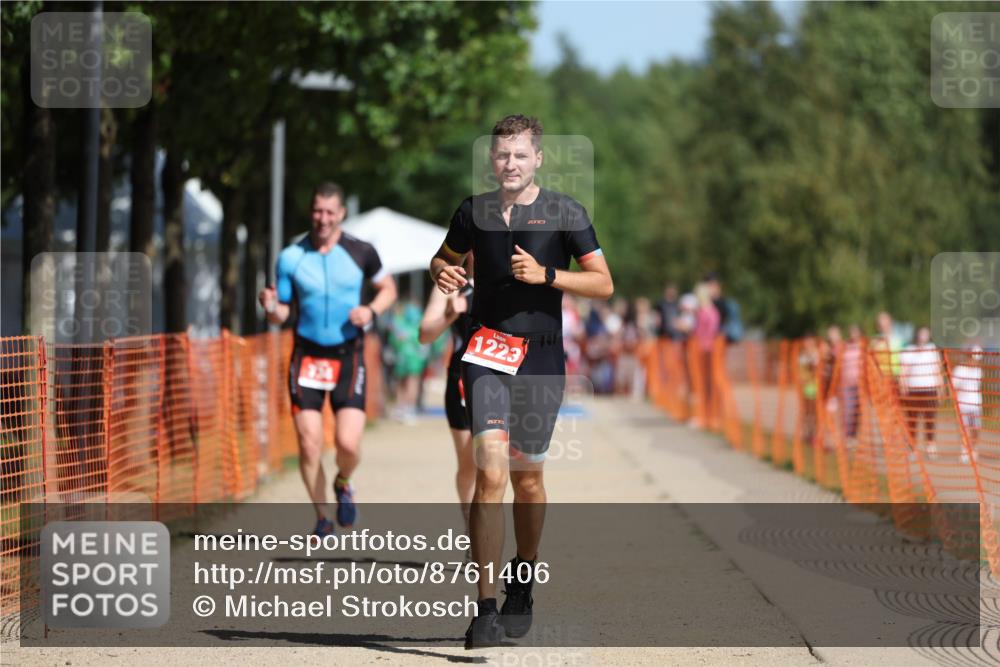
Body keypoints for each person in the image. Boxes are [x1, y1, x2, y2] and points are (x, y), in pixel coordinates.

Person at [430, 114, 613, 649]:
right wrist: (439, 270)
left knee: (526, 478)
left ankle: (523, 577)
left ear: (537, 159)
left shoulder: (564, 211)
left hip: (540, 361)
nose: (509, 163)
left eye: (519, 155)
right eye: (501, 155)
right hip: (485, 353)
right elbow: (442, 260)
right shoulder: (472, 212)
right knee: (489, 473)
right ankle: (484, 606)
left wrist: (549, 275)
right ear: (492, 159)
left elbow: (603, 282)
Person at [259, 182, 397, 537]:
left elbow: (388, 289)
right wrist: (271, 307)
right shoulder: (291, 256)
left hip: (348, 353)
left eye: (330, 212)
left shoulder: (361, 251)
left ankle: (343, 480)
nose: (323, 218)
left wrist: (370, 310)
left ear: (341, 214)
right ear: (311, 212)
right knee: (309, 441)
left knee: (348, 444)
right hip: (306, 354)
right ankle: (322, 517)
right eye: (317, 211)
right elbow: (282, 312)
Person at [419, 257, 476, 535]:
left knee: (493, 458)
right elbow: (424, 334)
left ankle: (488, 529)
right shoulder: (452, 283)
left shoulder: (509, 278)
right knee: (468, 462)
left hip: (503, 378)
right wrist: (450, 314)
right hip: (462, 379)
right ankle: (470, 527)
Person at [900, 325, 943, 457]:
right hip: (913, 390)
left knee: (930, 420)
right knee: (912, 420)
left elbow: (938, 370)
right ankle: (912, 447)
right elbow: (904, 371)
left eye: (926, 334)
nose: (923, 336)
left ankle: (930, 446)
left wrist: (941, 388)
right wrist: (903, 386)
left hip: (930, 389)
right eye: (921, 333)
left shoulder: (933, 350)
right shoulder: (909, 350)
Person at [952, 346, 984, 462]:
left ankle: (973, 448)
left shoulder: (978, 370)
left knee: (976, 428)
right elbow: (954, 387)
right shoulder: (960, 369)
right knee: (964, 429)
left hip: (975, 404)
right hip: (962, 404)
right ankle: (965, 449)